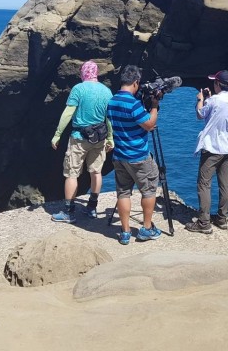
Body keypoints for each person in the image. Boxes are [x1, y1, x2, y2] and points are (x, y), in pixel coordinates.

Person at [51, 60, 113, 224]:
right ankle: (92, 208)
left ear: (83, 73)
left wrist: (57, 134)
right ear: (96, 73)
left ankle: (69, 212)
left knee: (72, 174)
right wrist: (110, 138)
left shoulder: (79, 89)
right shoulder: (106, 92)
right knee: (96, 172)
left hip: (79, 138)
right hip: (99, 138)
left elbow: (67, 113)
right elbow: (109, 119)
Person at [107, 65, 162, 244]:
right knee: (148, 190)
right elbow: (149, 124)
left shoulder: (112, 101)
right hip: (138, 156)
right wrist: (154, 106)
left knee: (123, 193)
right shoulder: (133, 104)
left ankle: (125, 232)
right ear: (136, 82)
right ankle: (146, 228)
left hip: (119, 155)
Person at [186, 69, 228, 234]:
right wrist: (209, 99)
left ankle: (204, 223)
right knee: (225, 184)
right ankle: (222, 219)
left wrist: (200, 100)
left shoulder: (213, 100)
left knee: (204, 184)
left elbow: (201, 114)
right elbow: (217, 111)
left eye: (214, 82)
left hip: (212, 149)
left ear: (218, 84)